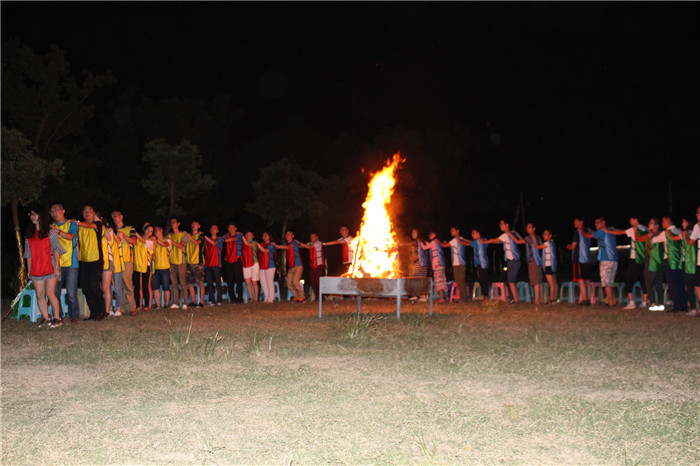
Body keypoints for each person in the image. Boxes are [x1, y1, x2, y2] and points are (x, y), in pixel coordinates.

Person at [24, 205, 65, 327]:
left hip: (50, 266)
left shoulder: (50, 232)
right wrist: (29, 270)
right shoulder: (29, 235)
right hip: (36, 268)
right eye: (30, 214)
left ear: (41, 216)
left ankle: (57, 318)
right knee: (39, 294)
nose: (32, 217)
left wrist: (57, 267)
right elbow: (28, 254)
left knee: (50, 293)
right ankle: (46, 318)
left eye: (35, 214)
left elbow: (56, 250)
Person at [604, 217, 649, 309]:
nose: (630, 222)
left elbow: (621, 233)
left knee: (628, 280)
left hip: (635, 258)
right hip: (644, 258)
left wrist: (607, 231)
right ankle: (644, 302)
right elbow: (625, 231)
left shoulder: (634, 229)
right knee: (643, 280)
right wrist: (615, 229)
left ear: (635, 219)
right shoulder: (644, 228)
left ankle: (631, 302)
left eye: (631, 220)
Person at [49, 203, 80, 324]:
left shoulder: (71, 224)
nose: (54, 213)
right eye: (51, 211)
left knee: (71, 292)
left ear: (63, 211)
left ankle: (74, 315)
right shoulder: (50, 226)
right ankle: (58, 315)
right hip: (56, 263)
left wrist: (57, 231)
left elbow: (71, 236)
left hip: (71, 263)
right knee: (55, 291)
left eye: (56, 210)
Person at [77, 205, 106, 320]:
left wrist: (77, 223)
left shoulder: (98, 224)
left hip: (96, 259)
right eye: (84, 211)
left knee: (94, 284)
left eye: (89, 211)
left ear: (93, 213)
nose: (87, 213)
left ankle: (101, 311)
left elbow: (91, 225)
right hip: (84, 260)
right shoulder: (79, 227)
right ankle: (93, 312)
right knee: (85, 287)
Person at [482, 220, 523, 303]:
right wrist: (487, 241)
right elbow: (498, 241)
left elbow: (494, 240)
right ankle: (516, 299)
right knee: (512, 281)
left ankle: (516, 300)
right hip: (514, 260)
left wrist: (484, 242)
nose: (500, 226)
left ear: (507, 225)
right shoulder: (511, 234)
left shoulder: (507, 234)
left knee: (511, 281)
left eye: (501, 224)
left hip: (513, 260)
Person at [510, 223, 544, 305]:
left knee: (535, 281)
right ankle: (540, 299)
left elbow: (518, 241)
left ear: (534, 228)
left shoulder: (529, 238)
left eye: (529, 228)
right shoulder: (538, 237)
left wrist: (511, 234)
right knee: (538, 281)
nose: (528, 229)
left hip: (533, 261)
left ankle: (537, 300)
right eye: (527, 228)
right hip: (539, 261)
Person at [636, 218, 665, 311]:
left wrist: (636, 231)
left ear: (657, 225)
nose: (649, 224)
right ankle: (660, 303)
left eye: (651, 223)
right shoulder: (661, 234)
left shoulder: (655, 235)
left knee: (649, 282)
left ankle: (653, 303)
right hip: (659, 261)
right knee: (658, 283)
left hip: (653, 261)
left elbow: (639, 239)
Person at [112, 211, 137, 315]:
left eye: (116, 215)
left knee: (128, 284)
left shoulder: (129, 228)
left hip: (126, 260)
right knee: (117, 285)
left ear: (121, 216)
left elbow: (134, 242)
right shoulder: (111, 230)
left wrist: (125, 236)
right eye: (113, 216)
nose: (115, 218)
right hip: (115, 261)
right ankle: (119, 308)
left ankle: (131, 307)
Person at [274, 230, 310, 302]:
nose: (287, 236)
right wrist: (272, 245)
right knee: (289, 283)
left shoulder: (294, 243)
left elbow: (288, 247)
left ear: (293, 236)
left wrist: (276, 245)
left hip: (298, 265)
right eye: (286, 235)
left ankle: (302, 297)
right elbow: (280, 247)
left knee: (295, 282)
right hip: (291, 266)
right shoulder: (285, 243)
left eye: (289, 234)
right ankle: (297, 297)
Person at [99, 214, 124, 317]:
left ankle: (118, 308)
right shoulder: (101, 234)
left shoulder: (109, 232)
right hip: (106, 262)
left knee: (117, 287)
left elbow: (119, 241)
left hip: (115, 262)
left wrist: (112, 232)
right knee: (106, 287)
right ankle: (108, 308)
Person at [661, 215, 686, 312]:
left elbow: (655, 239)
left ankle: (677, 306)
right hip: (680, 261)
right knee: (680, 283)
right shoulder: (679, 231)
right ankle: (683, 304)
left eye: (663, 221)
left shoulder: (666, 233)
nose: (662, 224)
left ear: (668, 221)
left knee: (673, 284)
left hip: (670, 261)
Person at [566, 218, 593, 306]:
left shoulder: (578, 232)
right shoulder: (588, 230)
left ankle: (585, 299)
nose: (574, 223)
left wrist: (569, 247)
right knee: (587, 280)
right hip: (587, 259)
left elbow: (573, 246)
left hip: (579, 259)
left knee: (581, 280)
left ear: (581, 222)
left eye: (576, 222)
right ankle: (588, 299)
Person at [420, 230, 448, 302]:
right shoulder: (437, 241)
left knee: (438, 281)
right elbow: (429, 245)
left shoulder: (434, 241)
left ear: (435, 234)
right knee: (441, 280)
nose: (430, 235)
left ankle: (442, 298)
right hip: (440, 263)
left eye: (431, 234)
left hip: (437, 264)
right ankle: (442, 297)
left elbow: (425, 248)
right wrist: (425, 242)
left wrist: (420, 243)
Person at [682, 206, 700, 316]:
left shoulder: (697, 226)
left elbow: (690, 242)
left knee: (697, 284)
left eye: (698, 212)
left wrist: (686, 237)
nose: (696, 215)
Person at [132, 223, 154, 312]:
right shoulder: (136, 239)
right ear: (144, 230)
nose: (149, 232)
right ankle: (138, 305)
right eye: (148, 230)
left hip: (146, 265)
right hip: (136, 265)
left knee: (145, 286)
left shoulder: (151, 241)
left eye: (151, 231)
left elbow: (143, 242)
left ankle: (146, 305)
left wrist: (135, 232)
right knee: (137, 286)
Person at [167, 217, 188, 309]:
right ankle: (175, 302)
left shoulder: (183, 235)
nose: (172, 224)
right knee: (174, 283)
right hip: (172, 261)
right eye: (171, 222)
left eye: (174, 222)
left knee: (182, 282)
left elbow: (181, 246)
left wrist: (171, 242)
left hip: (181, 261)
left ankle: (185, 302)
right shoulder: (169, 235)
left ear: (178, 224)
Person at [185, 221, 205, 307]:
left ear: (199, 226)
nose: (193, 226)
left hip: (198, 262)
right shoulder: (188, 236)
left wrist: (188, 236)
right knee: (190, 283)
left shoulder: (201, 235)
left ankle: (201, 302)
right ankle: (193, 302)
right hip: (189, 262)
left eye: (195, 225)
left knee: (200, 283)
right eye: (192, 225)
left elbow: (197, 243)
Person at [534, 229, 558, 304]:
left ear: (550, 236)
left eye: (546, 234)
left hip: (549, 265)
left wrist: (534, 238)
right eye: (543, 234)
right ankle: (553, 298)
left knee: (551, 284)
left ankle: (552, 300)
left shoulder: (547, 243)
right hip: (552, 265)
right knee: (553, 283)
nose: (544, 235)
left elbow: (537, 247)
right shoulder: (552, 243)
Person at [222, 223, 244, 303]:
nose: (231, 229)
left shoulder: (238, 235)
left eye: (232, 228)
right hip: (228, 260)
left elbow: (233, 239)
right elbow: (220, 239)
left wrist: (225, 240)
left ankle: (240, 298)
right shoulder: (225, 236)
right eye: (229, 228)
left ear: (236, 228)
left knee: (238, 280)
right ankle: (232, 298)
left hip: (237, 260)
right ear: (228, 229)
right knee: (229, 280)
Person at [447, 227, 470, 303]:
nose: (451, 232)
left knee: (460, 281)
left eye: (453, 231)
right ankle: (463, 298)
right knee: (459, 281)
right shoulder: (461, 238)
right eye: (451, 231)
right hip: (459, 263)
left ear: (457, 231)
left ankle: (463, 299)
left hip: (459, 263)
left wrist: (438, 242)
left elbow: (444, 245)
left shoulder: (455, 239)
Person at [203, 224, 224, 306]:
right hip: (208, 264)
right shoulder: (206, 240)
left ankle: (219, 300)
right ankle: (211, 300)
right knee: (209, 283)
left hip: (216, 263)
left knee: (218, 282)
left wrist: (205, 237)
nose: (212, 230)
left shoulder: (220, 239)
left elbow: (214, 244)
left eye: (215, 228)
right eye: (211, 228)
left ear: (217, 231)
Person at [152, 226, 171, 309]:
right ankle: (158, 305)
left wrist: (157, 240)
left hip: (165, 267)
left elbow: (165, 245)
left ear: (161, 230)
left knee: (166, 287)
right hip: (155, 268)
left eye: (157, 230)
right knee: (155, 287)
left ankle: (166, 304)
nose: (155, 232)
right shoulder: (154, 242)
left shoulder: (167, 239)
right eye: (154, 231)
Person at [240, 231, 263, 303]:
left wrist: (242, 236)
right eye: (246, 235)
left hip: (254, 263)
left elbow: (247, 244)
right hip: (245, 264)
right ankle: (251, 297)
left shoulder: (254, 242)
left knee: (254, 282)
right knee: (247, 282)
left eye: (249, 235)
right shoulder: (242, 244)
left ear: (253, 236)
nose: (247, 236)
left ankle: (256, 298)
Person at [469, 229, 490, 300]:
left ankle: (485, 296)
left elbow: (467, 243)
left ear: (478, 233)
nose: (472, 235)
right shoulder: (484, 240)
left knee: (482, 280)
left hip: (480, 263)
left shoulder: (477, 241)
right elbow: (470, 242)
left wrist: (459, 240)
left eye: (473, 233)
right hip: (485, 263)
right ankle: (485, 296)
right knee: (484, 280)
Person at [257, 232, 277, 304]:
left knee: (269, 282)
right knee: (263, 282)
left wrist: (258, 245)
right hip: (262, 266)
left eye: (266, 235)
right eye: (263, 235)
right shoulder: (261, 244)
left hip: (270, 265)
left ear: (269, 237)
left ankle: (271, 299)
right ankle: (266, 297)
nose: (264, 237)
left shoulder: (271, 244)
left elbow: (265, 251)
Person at [307, 233, 325, 302]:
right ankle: (318, 297)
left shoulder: (318, 243)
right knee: (313, 282)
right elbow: (305, 246)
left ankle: (322, 297)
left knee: (318, 282)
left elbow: (309, 247)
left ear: (317, 237)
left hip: (319, 264)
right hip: (312, 265)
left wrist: (300, 243)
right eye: (310, 236)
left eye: (313, 236)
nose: (311, 237)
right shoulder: (310, 243)